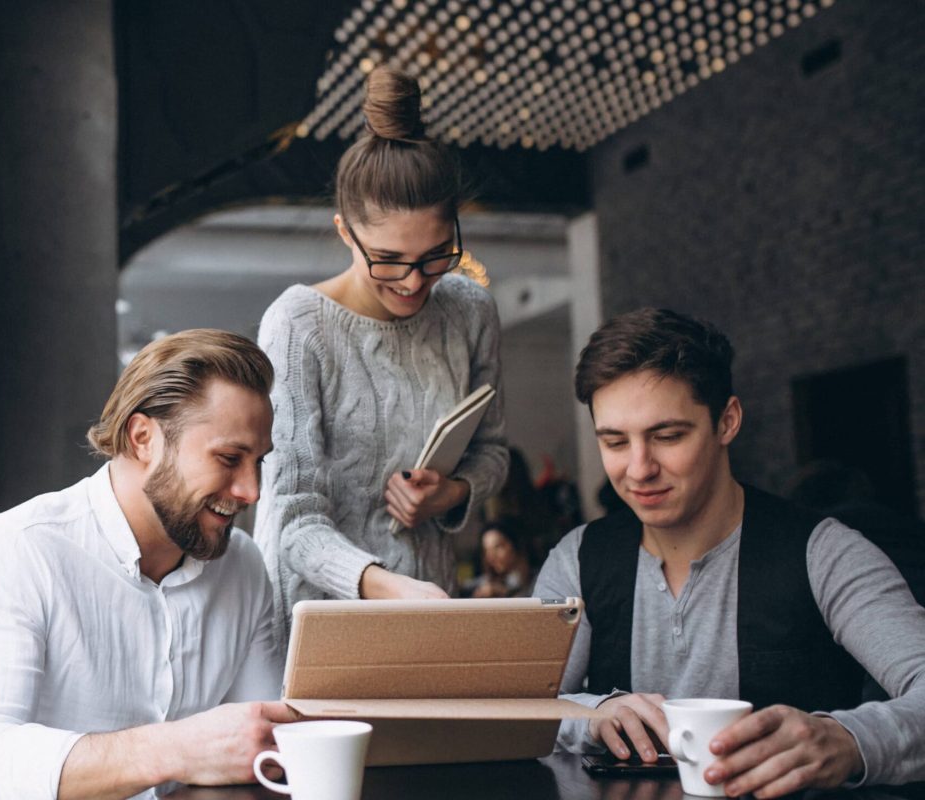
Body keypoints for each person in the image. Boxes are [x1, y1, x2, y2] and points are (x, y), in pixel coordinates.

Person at [534, 308, 925, 797]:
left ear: (727, 422)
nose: (638, 469)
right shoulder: (577, 559)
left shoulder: (824, 552)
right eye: (615, 442)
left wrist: (849, 740)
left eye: (668, 436)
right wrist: (591, 715)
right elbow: (518, 707)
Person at [0, 329, 295, 800]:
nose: (251, 491)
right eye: (229, 459)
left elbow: (261, 753)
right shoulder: (11, 553)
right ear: (143, 438)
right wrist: (175, 750)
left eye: (259, 462)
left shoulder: (242, 565)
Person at [254, 66, 508, 642]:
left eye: (437, 255)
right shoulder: (298, 326)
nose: (415, 282)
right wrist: (385, 585)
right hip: (316, 624)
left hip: (425, 610)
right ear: (346, 232)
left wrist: (453, 493)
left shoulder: (470, 311)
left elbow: (492, 451)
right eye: (390, 260)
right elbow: (293, 518)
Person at [463, 519, 535, 598]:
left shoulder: (537, 580)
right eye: (486, 551)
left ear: (515, 545)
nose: (490, 557)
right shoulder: (486, 582)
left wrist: (505, 592)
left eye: (497, 547)